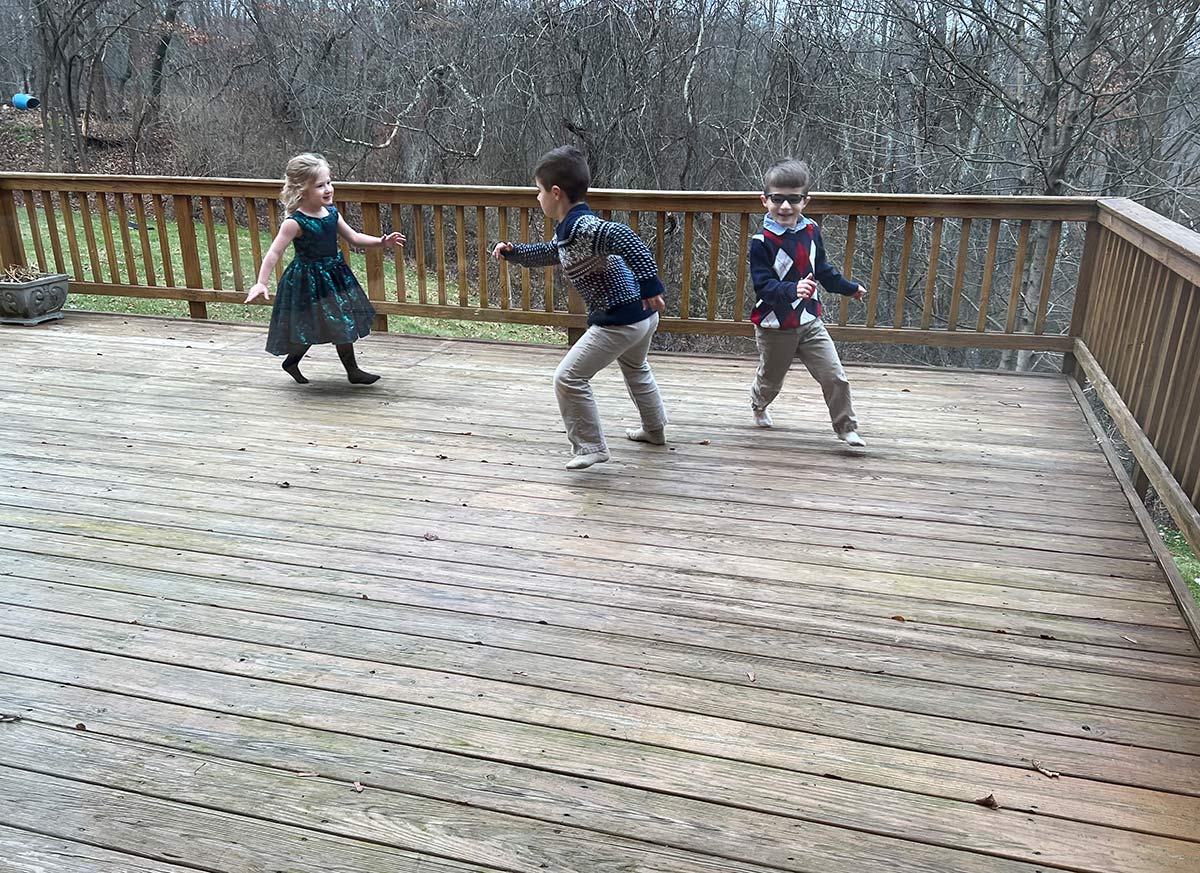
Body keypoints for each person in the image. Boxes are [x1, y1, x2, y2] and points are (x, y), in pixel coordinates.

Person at [492, 145, 668, 470]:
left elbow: (628, 239)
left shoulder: (583, 227)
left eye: (539, 191)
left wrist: (651, 285)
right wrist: (514, 253)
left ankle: (591, 447)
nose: (537, 198)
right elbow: (551, 252)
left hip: (621, 318)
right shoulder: (570, 230)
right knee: (636, 368)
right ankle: (654, 430)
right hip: (642, 318)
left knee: (568, 378)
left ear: (556, 193)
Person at [244, 152, 404, 384]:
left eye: (329, 182)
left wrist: (382, 242)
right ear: (302, 190)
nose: (328, 189)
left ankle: (353, 371)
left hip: (335, 277)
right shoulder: (295, 222)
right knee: (307, 327)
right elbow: (274, 253)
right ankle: (292, 362)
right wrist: (261, 282)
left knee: (343, 322)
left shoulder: (331, 214)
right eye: (320, 185)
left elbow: (354, 237)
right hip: (307, 282)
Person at [748, 158, 867, 447]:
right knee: (771, 380)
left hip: (810, 321)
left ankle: (846, 427)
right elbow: (763, 287)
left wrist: (849, 288)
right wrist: (793, 289)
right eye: (777, 199)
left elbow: (822, 269)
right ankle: (758, 403)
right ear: (765, 200)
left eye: (793, 199)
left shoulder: (811, 230)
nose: (785, 206)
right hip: (775, 326)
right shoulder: (761, 241)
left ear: (805, 201)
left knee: (834, 375)